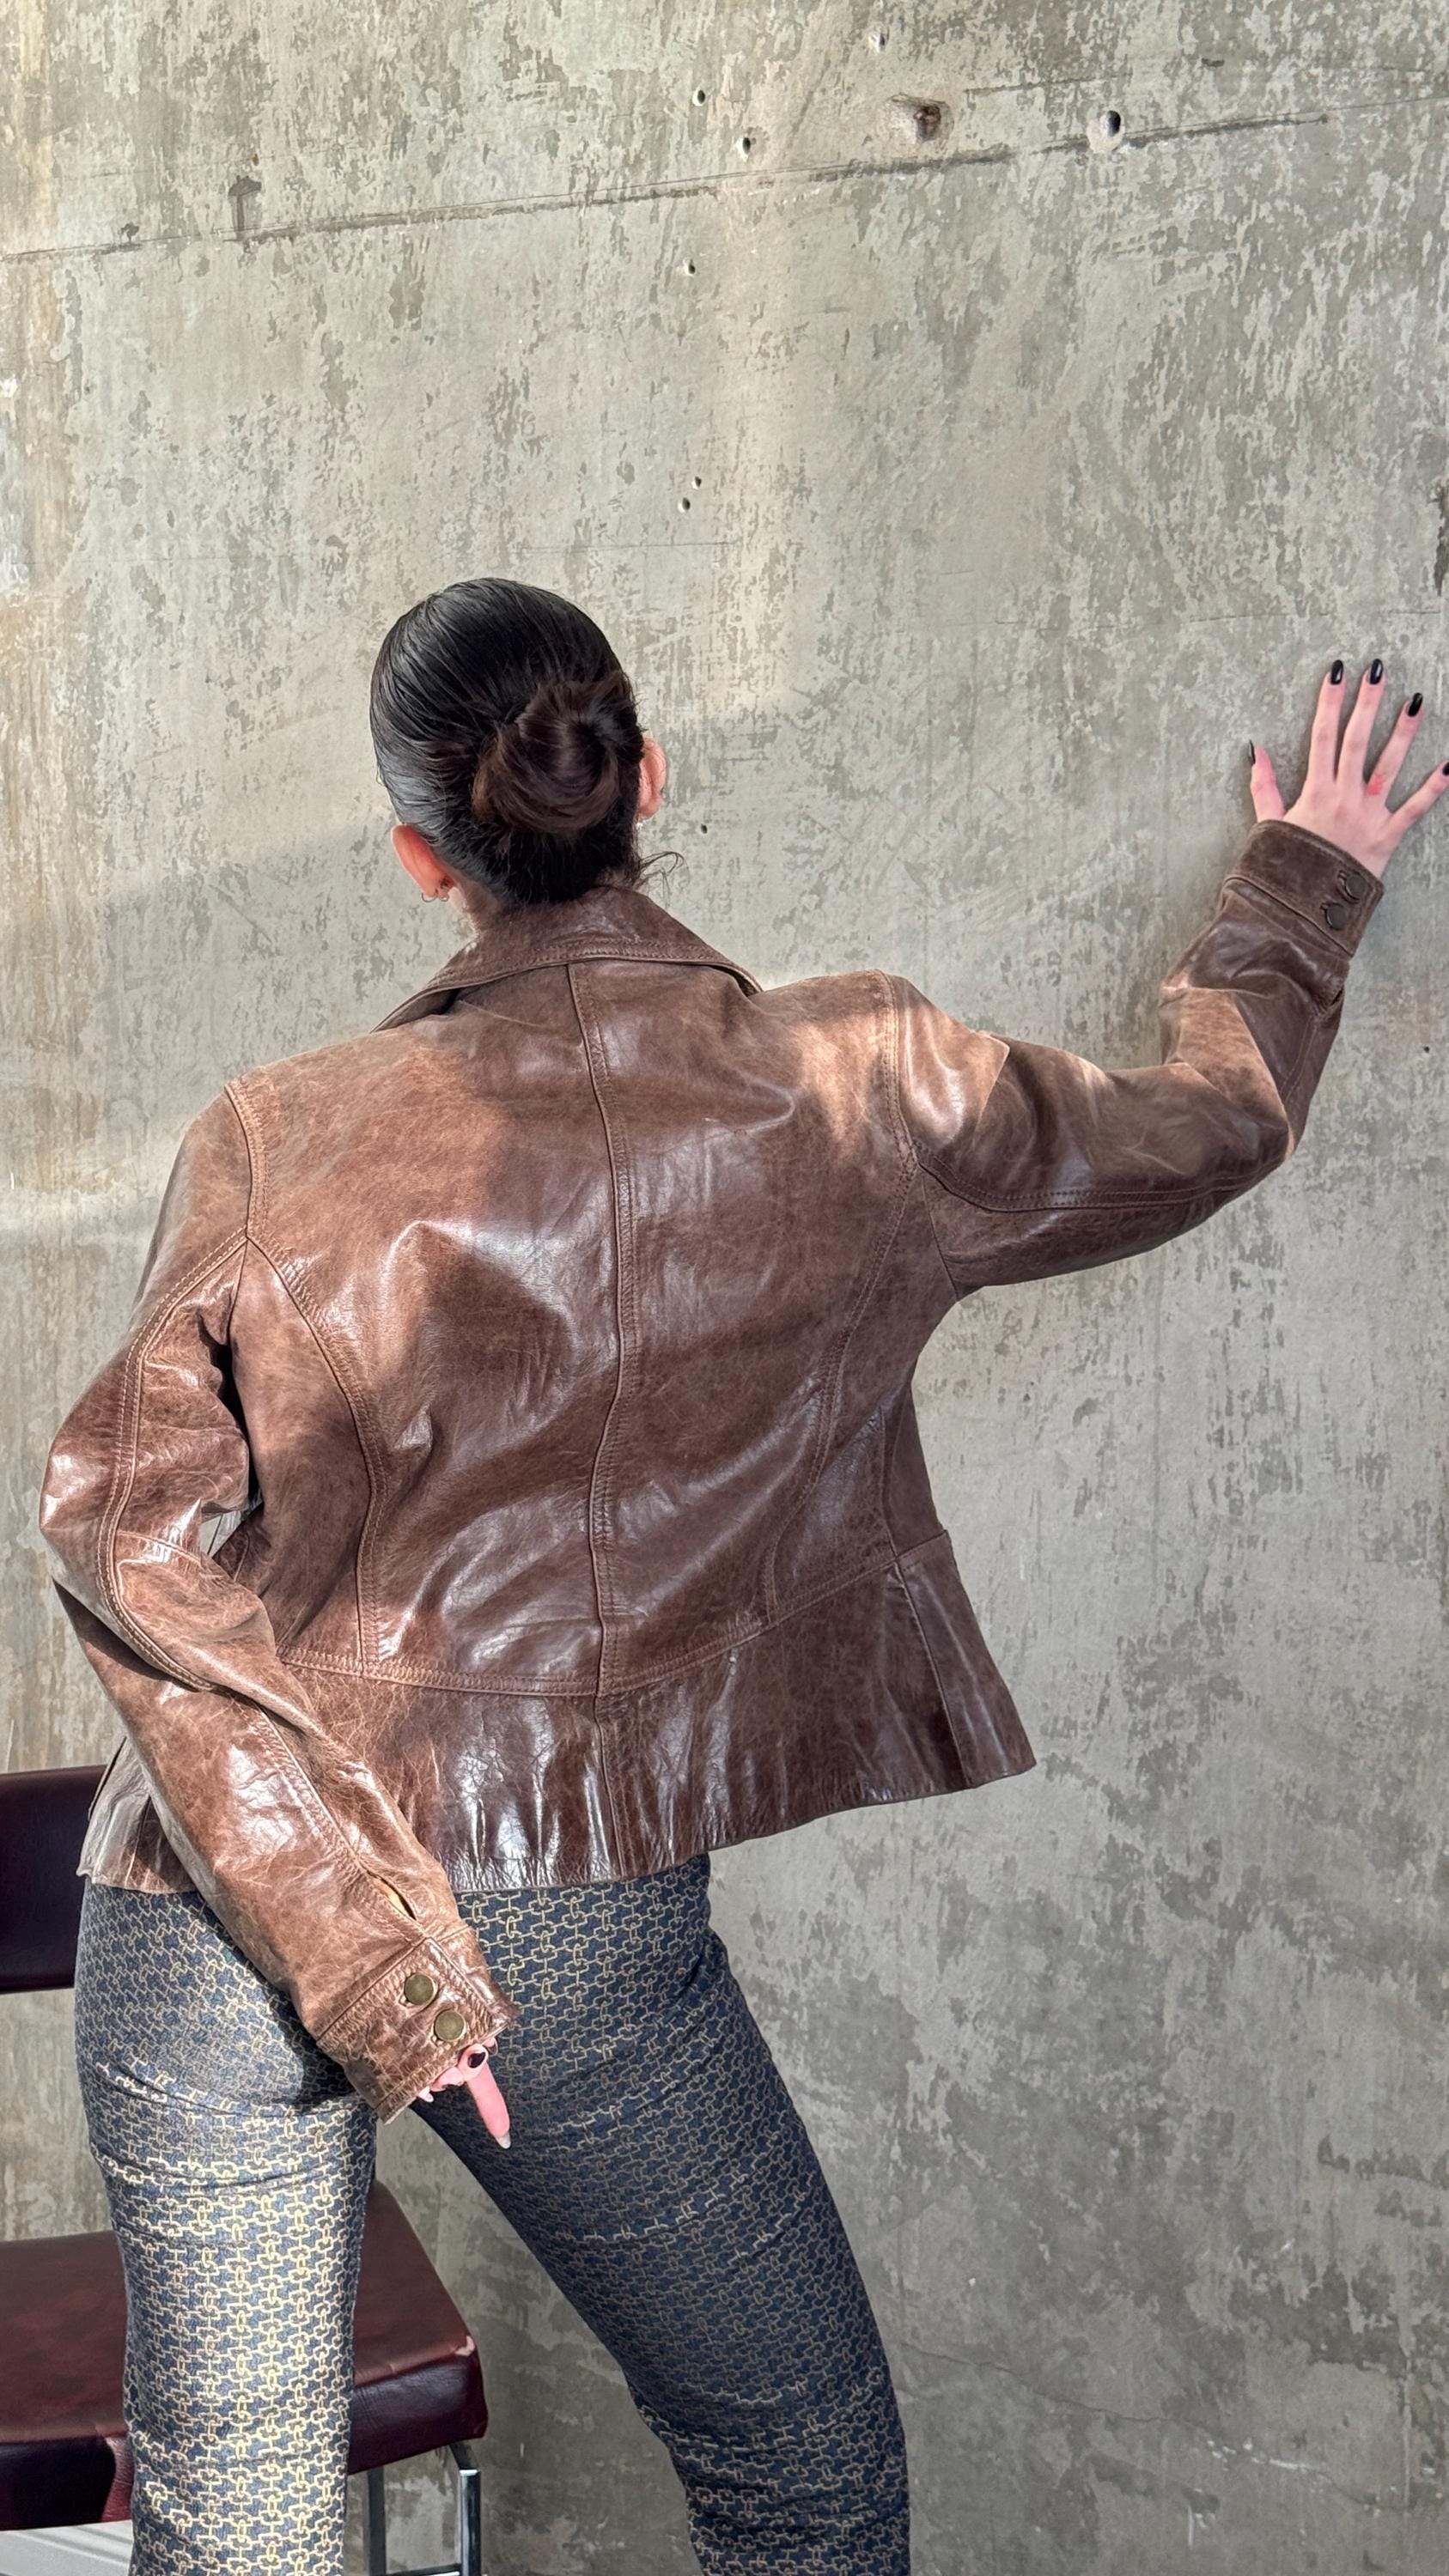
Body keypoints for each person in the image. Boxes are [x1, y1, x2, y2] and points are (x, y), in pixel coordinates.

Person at [37, 582, 1440, 2576]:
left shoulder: (284, 1135)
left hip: (211, 1902)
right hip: (566, 1929)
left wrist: (364, 1958)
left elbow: (118, 1532)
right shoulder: (867, 1090)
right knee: (806, 2490)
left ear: (422, 853)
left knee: (236, 2549)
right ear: (647, 780)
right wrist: (1304, 877)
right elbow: (1208, 1123)